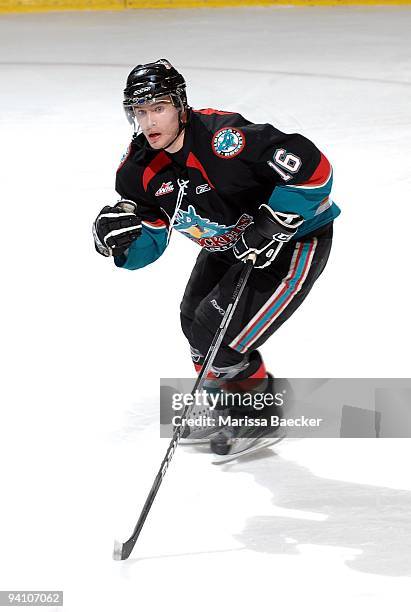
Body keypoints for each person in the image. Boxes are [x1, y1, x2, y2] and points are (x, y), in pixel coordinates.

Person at [93, 59, 340, 456]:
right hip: (231, 248)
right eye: (140, 111)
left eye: (158, 108)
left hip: (295, 242)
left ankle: (260, 412)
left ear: (180, 104)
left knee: (219, 336)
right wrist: (118, 243)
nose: (149, 121)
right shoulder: (139, 170)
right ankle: (230, 403)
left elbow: (313, 169)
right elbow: (150, 244)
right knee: (194, 320)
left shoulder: (224, 140)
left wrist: (271, 222)